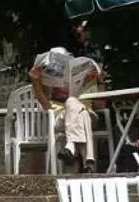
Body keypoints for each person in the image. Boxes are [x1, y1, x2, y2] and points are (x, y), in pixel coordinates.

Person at [28, 20, 104, 172]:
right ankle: (88, 161)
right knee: (77, 109)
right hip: (59, 118)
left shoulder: (88, 74)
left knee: (75, 105)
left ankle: (71, 146)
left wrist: (100, 81)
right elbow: (46, 106)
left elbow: (100, 106)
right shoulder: (47, 83)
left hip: (90, 115)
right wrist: (35, 81)